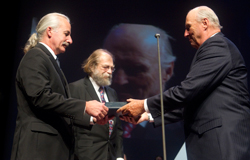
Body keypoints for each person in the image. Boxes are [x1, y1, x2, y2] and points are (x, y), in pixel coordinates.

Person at [117, 6, 250, 160]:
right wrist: (147, 115)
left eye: (188, 27)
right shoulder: (215, 49)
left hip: (222, 143)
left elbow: (187, 91)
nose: (185, 34)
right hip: (212, 144)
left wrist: (143, 105)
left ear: (205, 23)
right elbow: (192, 102)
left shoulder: (217, 46)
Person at [11, 13, 108, 160]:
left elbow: (58, 109)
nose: (70, 40)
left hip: (51, 149)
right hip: (38, 150)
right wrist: (85, 106)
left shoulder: (50, 60)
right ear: (50, 31)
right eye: (66, 34)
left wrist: (90, 118)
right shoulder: (35, 57)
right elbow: (42, 98)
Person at [103, 24, 185, 160]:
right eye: (111, 68)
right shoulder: (93, 121)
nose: (119, 80)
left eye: (135, 69)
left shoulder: (184, 129)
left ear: (167, 71)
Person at [69, 49, 124, 160]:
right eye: (105, 67)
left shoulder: (112, 93)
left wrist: (119, 156)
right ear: (92, 67)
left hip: (111, 155)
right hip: (86, 154)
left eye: (112, 68)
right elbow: (70, 120)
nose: (110, 72)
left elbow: (117, 128)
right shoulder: (75, 88)